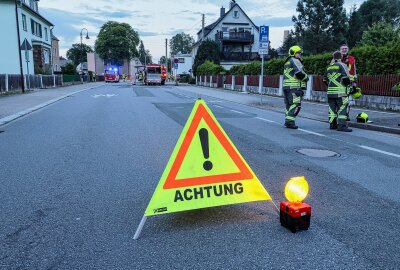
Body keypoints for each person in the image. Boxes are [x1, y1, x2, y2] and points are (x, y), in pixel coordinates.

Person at [324, 51, 352, 132]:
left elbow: (324, 79)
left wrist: (331, 86)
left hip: (330, 92)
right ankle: (341, 126)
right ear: (341, 58)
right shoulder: (342, 65)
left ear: (333, 57)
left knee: (332, 109)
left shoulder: (329, 67)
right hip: (341, 92)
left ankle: (332, 125)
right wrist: (348, 88)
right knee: (342, 108)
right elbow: (346, 78)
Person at [282, 45, 309, 129]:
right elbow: (299, 73)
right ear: (293, 53)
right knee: (296, 104)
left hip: (286, 87)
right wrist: (306, 78)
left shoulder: (287, 61)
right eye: (298, 53)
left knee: (288, 105)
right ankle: (290, 121)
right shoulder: (295, 60)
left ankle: (287, 120)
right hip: (294, 87)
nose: (300, 55)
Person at [340, 44, 357, 121]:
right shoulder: (337, 58)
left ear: (348, 49)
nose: (344, 50)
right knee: (341, 99)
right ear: (340, 50)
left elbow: (354, 70)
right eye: (343, 48)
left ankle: (346, 114)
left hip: (349, 82)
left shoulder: (352, 58)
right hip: (340, 82)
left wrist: (354, 82)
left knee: (349, 100)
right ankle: (340, 114)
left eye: (346, 48)